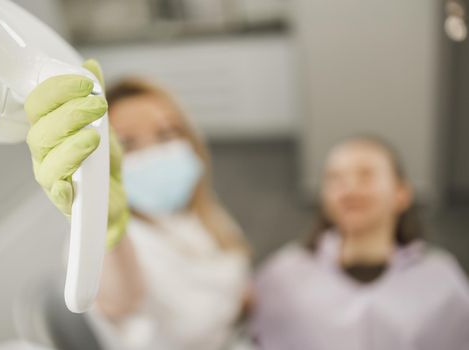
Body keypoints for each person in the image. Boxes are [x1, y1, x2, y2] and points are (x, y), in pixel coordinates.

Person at [24, 60, 251, 350]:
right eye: (127, 144)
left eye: (168, 133)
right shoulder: (104, 241)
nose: (155, 152)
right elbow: (120, 299)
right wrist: (103, 225)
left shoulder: (195, 208)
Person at [251, 136, 469, 350]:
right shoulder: (282, 276)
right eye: (335, 178)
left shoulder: (441, 280)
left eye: (366, 175)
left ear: (402, 193)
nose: (349, 188)